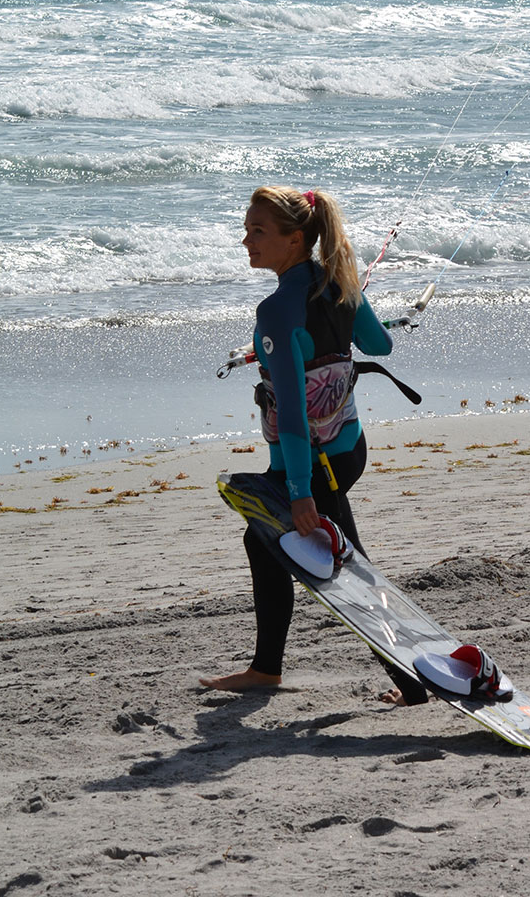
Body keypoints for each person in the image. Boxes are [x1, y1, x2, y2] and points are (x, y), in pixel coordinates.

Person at [199, 185, 418, 701]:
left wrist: (300, 493)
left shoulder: (277, 310)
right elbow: (379, 343)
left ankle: (411, 681)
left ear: (295, 240)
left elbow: (295, 414)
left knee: (350, 572)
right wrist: (354, 296)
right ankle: (266, 669)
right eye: (247, 229)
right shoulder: (337, 284)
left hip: (312, 464)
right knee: (262, 541)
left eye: (258, 231)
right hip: (349, 450)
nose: (246, 240)